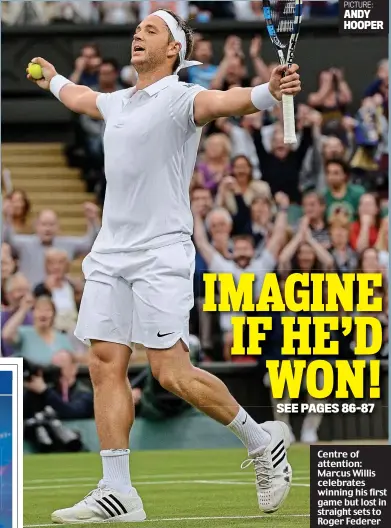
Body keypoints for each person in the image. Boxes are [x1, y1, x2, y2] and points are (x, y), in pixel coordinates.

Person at [27, 8, 301, 523]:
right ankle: (117, 491)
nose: (138, 34)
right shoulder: (117, 102)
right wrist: (53, 76)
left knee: (170, 372)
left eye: (150, 30)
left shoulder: (181, 98)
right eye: (137, 28)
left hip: (161, 252)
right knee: (104, 362)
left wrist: (267, 92)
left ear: (173, 48)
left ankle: (262, 440)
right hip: (110, 251)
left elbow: (228, 101)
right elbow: (81, 98)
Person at [3, 203, 101, 287]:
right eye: (44, 224)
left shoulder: (67, 244)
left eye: (51, 224)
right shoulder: (24, 243)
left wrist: (93, 220)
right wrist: (7, 217)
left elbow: (90, 244)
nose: (47, 228)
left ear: (58, 226)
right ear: (36, 225)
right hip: (30, 297)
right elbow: (7, 240)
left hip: (58, 296)